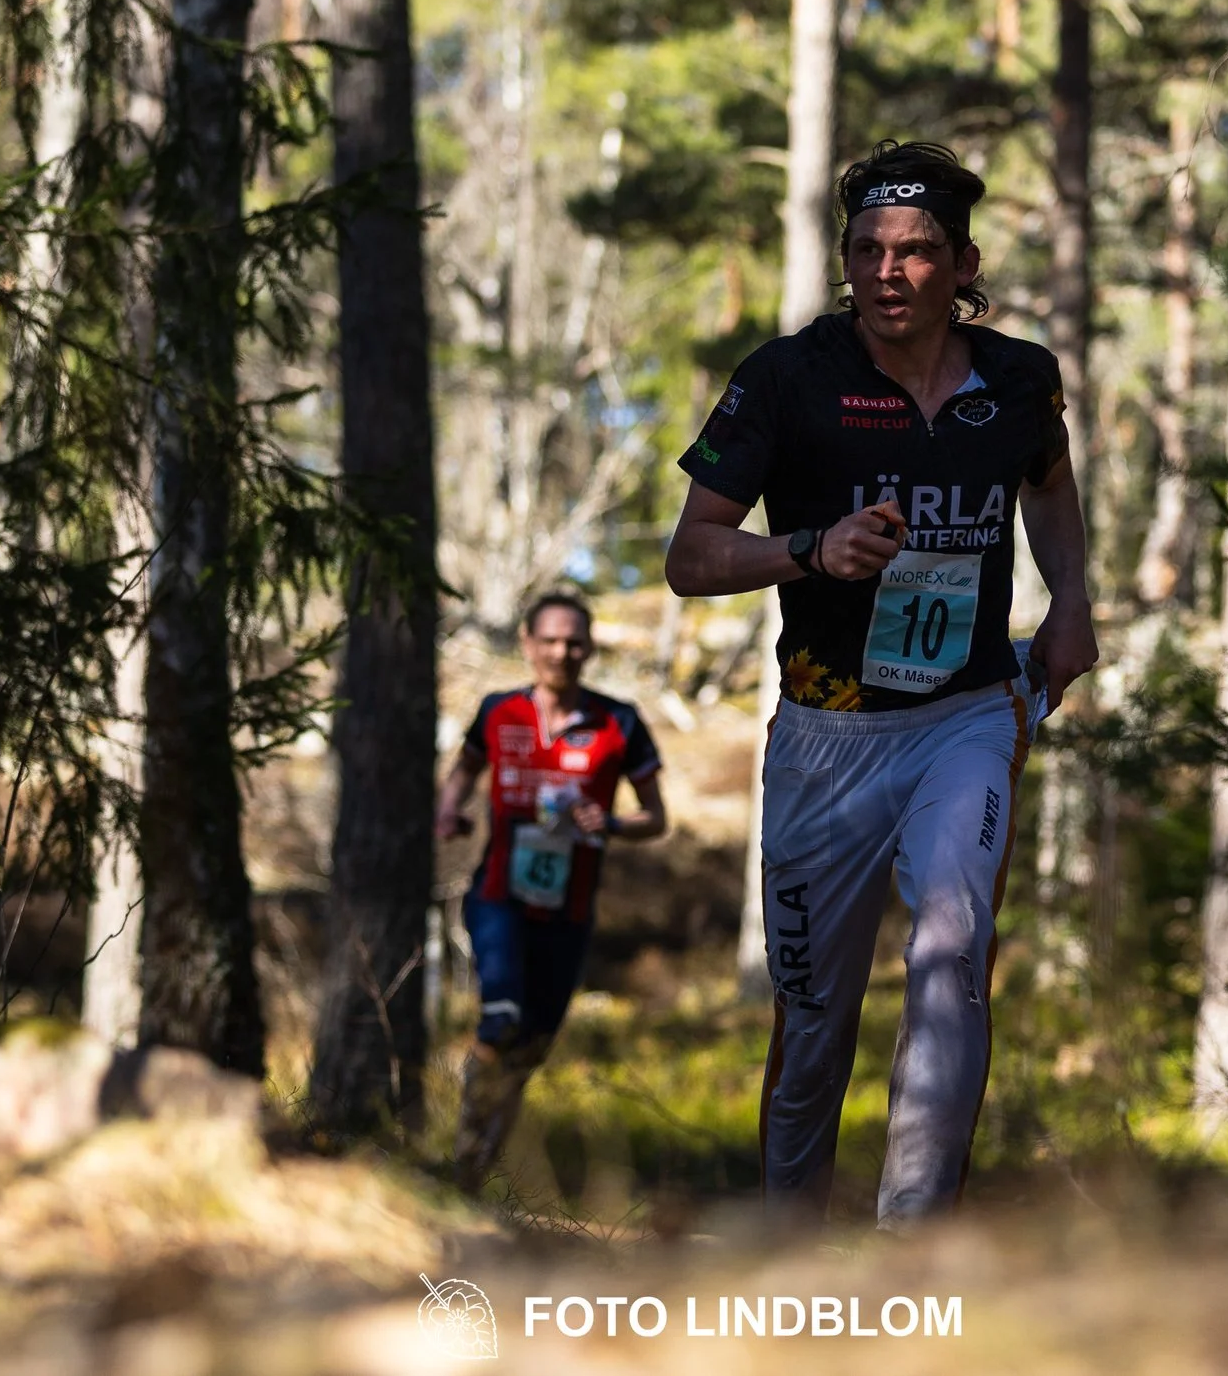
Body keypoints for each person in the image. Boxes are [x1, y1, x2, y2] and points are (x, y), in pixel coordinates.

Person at [663, 139, 1098, 1226]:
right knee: (812, 1022)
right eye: (868, 249)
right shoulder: (785, 378)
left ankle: (916, 1248)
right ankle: (786, 1246)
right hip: (826, 736)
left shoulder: (1018, 378)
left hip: (965, 716)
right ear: (846, 260)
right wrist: (808, 548)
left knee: (951, 960)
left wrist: (1073, 598)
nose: (889, 272)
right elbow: (691, 556)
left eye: (914, 251)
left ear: (962, 262)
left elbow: (1047, 480)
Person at [435, 590, 669, 1190]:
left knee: (531, 1046)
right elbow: (462, 772)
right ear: (528, 643)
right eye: (551, 640)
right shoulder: (498, 711)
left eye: (574, 641)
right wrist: (448, 812)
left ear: (589, 648)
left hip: (568, 910)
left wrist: (610, 823)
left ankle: (475, 1175)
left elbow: (656, 817)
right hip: (498, 897)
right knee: (502, 1019)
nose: (562, 652)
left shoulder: (619, 722)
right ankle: (460, 1157)